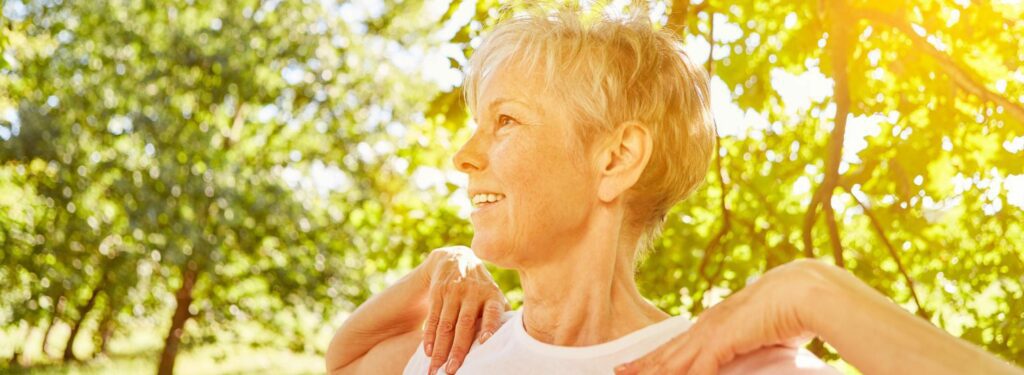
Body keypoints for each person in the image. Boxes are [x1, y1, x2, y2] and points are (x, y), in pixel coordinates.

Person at [326, 5, 1024, 375]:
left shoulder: (726, 368)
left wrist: (815, 290)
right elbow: (346, 363)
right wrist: (438, 267)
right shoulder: (456, 349)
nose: (463, 155)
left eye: (504, 121)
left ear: (616, 158)